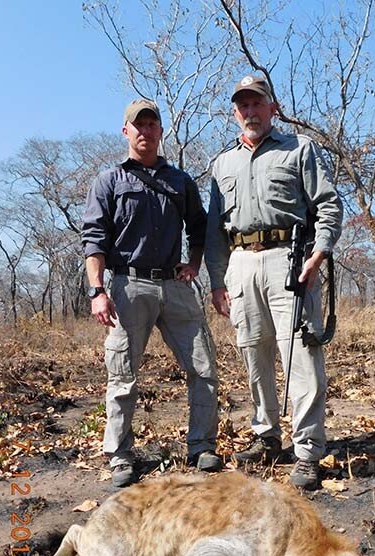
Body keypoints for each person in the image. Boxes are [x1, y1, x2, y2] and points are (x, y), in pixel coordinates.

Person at [205, 75, 342, 489]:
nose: (250, 111)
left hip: (290, 261)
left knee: (302, 359)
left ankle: (307, 451)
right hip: (241, 265)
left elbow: (328, 205)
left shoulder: (300, 149)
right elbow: (214, 231)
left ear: (272, 108)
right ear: (235, 112)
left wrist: (317, 256)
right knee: (254, 357)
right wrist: (217, 280)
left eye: (257, 103)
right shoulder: (222, 163)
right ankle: (267, 437)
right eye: (243, 105)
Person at [82, 98, 222, 488]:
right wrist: (97, 290)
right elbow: (93, 239)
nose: (145, 131)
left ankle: (202, 446)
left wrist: (193, 265)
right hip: (127, 285)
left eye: (152, 125)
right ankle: (120, 455)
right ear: (126, 131)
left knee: (203, 367)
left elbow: (200, 228)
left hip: (175, 285)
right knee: (123, 374)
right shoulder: (108, 181)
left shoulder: (180, 181)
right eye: (137, 125)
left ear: (161, 131)